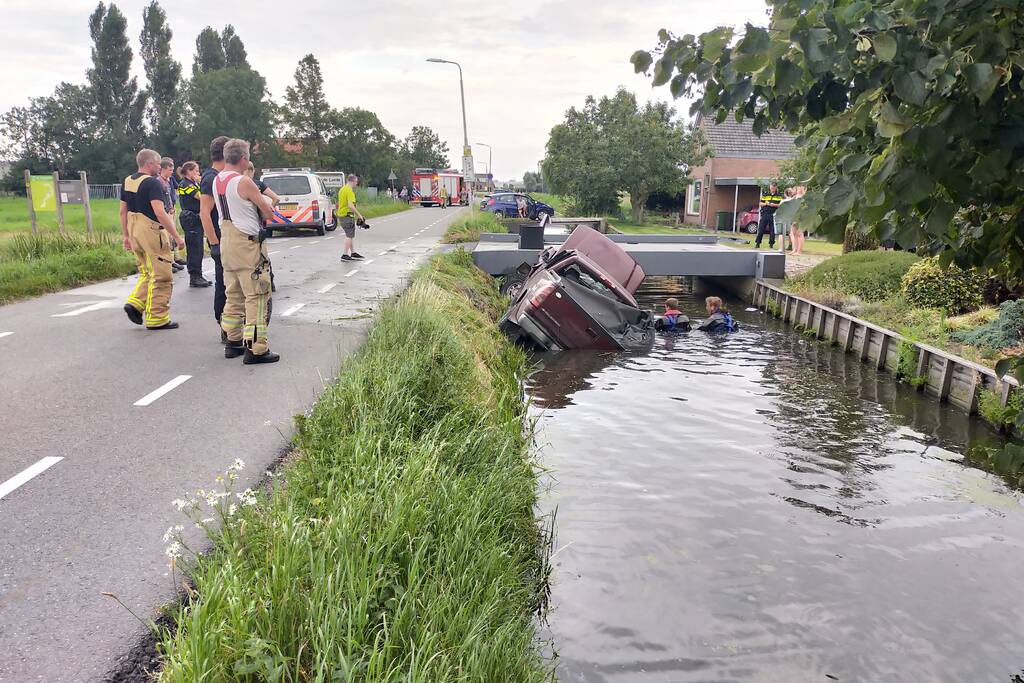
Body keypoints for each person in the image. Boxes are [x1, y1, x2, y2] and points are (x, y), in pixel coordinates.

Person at [215, 138, 278, 364]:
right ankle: (257, 348)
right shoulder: (244, 182)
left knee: (233, 294)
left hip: (227, 241)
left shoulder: (218, 179)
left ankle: (233, 342)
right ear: (243, 159)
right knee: (257, 295)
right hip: (247, 243)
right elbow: (268, 211)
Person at [120, 148, 186, 330]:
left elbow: (122, 210)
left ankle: (135, 304)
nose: (160, 167)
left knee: (147, 272)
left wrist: (126, 235)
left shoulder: (127, 181)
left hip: (134, 230)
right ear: (149, 164)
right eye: (158, 164)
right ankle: (158, 318)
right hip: (151, 231)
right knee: (162, 274)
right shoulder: (152, 184)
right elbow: (160, 212)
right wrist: (176, 236)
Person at [200, 135, 230, 342]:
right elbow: (204, 213)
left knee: (229, 283)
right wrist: (215, 244)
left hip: (226, 238)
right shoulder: (211, 178)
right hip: (220, 239)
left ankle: (230, 326)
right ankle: (224, 325)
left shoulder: (219, 176)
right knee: (224, 284)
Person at [176, 161, 211, 288]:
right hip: (190, 218)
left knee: (199, 247)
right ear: (189, 171)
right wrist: (202, 182)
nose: (198, 173)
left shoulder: (192, 183)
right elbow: (200, 196)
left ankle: (199, 275)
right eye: (196, 171)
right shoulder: (185, 184)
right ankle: (194, 277)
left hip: (196, 217)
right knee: (194, 248)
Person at [158, 157, 185, 273]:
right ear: (163, 169)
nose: (171, 172)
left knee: (172, 236)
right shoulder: (158, 182)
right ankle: (168, 262)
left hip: (171, 210)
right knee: (166, 237)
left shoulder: (169, 180)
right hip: (164, 211)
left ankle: (174, 259)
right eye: (169, 170)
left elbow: (176, 190)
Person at [337, 174, 365, 261]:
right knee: (349, 235)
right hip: (347, 215)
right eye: (356, 182)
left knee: (350, 234)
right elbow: (350, 205)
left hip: (342, 214)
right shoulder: (349, 190)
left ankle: (353, 253)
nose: (356, 184)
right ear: (352, 181)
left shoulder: (342, 189)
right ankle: (344, 254)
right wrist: (359, 215)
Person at [754, 182, 783, 249]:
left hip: (773, 215)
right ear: (770, 187)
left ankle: (771, 244)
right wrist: (766, 204)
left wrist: (772, 205)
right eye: (771, 187)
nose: (772, 189)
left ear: (776, 188)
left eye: (773, 187)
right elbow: (761, 203)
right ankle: (757, 243)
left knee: (772, 230)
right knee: (761, 229)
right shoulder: (766, 194)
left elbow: (781, 205)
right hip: (765, 214)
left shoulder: (779, 195)